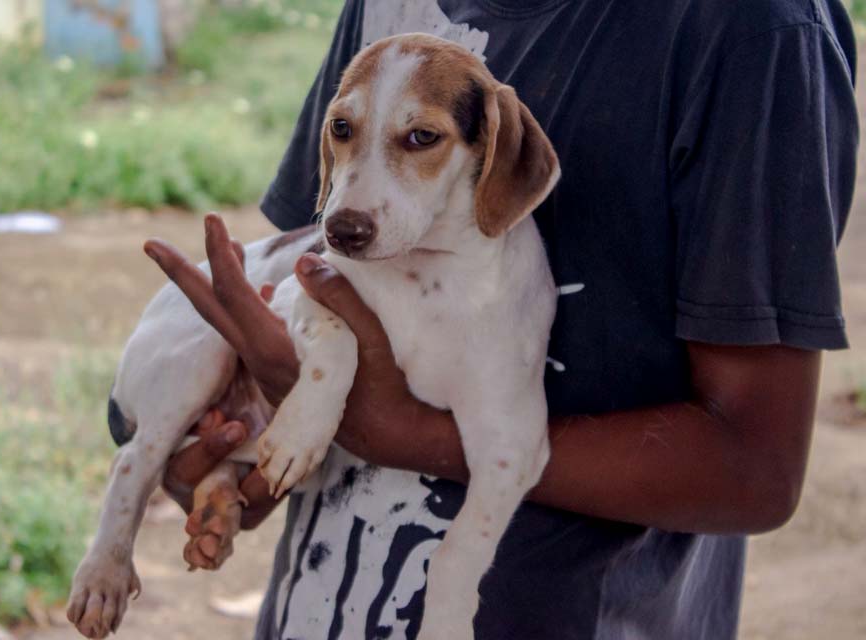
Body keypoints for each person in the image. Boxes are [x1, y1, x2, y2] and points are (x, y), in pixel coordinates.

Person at [147, 0, 859, 638]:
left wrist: (401, 433)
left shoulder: (754, 31)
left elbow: (753, 470)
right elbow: (325, 271)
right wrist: (249, 445)